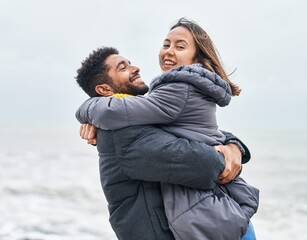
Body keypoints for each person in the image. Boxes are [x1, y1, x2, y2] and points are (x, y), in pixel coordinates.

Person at [76, 18, 259, 240]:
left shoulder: (144, 113)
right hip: (215, 222)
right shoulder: (121, 132)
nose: (136, 68)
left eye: (179, 46)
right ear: (104, 89)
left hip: (220, 220)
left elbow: (193, 132)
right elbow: (207, 165)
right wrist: (89, 108)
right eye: (123, 68)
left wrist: (234, 146)